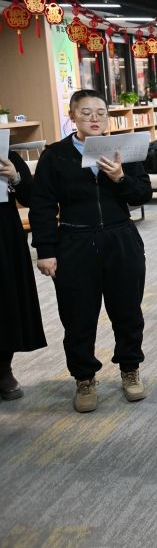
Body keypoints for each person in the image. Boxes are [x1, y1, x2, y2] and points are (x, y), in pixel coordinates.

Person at [30, 89, 152, 413]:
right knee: (78, 316)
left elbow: (143, 194)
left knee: (127, 312)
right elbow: (42, 205)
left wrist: (120, 177)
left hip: (121, 238)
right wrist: (45, 250)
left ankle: (130, 369)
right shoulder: (55, 155)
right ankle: (84, 378)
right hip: (75, 242)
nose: (94, 118)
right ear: (72, 116)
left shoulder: (125, 149)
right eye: (85, 113)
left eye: (101, 113)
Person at [0, 149, 46, 400]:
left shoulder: (7, 155)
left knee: (7, 302)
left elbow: (32, 196)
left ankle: (3, 369)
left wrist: (15, 177)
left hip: (4, 237)